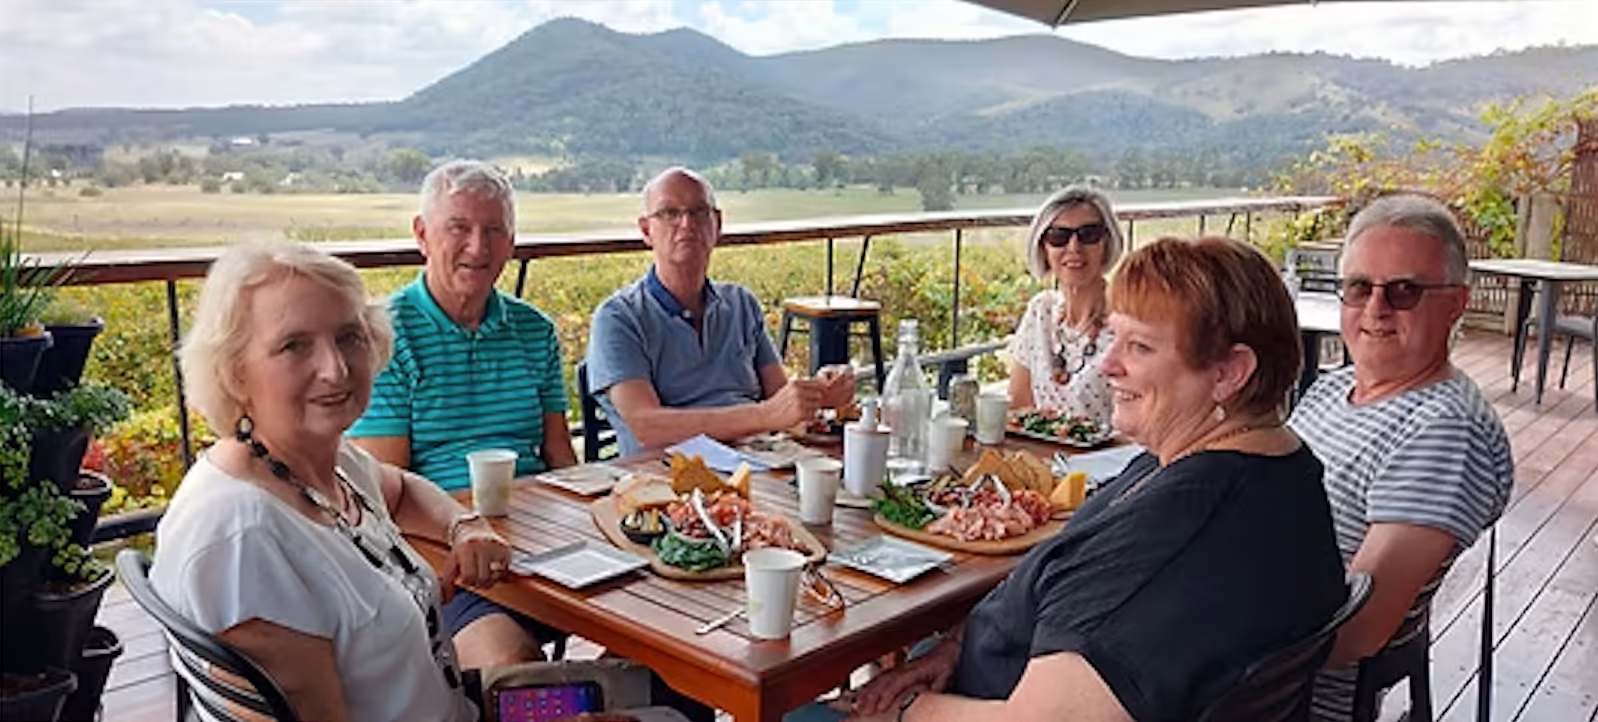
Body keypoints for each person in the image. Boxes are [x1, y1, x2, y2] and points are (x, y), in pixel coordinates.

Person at [797, 236, 1347, 722]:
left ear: (1229, 372)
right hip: (975, 677)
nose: (1107, 366)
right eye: (1114, 338)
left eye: (1139, 347)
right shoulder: (1275, 475)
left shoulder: (1184, 530)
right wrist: (954, 648)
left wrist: (906, 711)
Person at [152, 241, 509, 721]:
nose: (335, 368)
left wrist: (464, 525)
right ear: (234, 372)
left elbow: (403, 489)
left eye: (348, 336)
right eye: (294, 345)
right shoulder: (244, 538)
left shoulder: (324, 463)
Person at [1288, 194, 1513, 721]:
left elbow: (1351, 630)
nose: (1375, 309)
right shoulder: (1333, 388)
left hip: (1282, 695)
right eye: (1359, 287)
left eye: (1405, 290)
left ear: (1457, 302)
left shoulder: (1446, 430)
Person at [348, 160, 572, 668]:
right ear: (422, 235)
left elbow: (561, 456)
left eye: (494, 230)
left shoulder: (534, 331)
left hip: (543, 548)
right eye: (460, 228)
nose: (479, 246)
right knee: (516, 671)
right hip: (442, 559)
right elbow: (387, 498)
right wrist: (462, 536)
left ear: (511, 242)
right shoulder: (386, 335)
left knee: (673, 650)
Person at [586, 167, 853, 456]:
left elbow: (781, 401)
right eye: (669, 213)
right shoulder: (619, 317)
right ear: (646, 230)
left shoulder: (741, 304)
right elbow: (647, 428)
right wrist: (764, 416)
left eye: (699, 212)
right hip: (668, 478)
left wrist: (819, 393)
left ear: (718, 224)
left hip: (760, 465)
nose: (686, 224)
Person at [1006, 186, 1123, 426]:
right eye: (1058, 236)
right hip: (1042, 458)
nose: (1074, 248)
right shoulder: (1041, 311)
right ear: (1043, 248)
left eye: (1088, 234)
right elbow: (1018, 408)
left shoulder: (1129, 321)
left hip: (1112, 459)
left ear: (1107, 243)